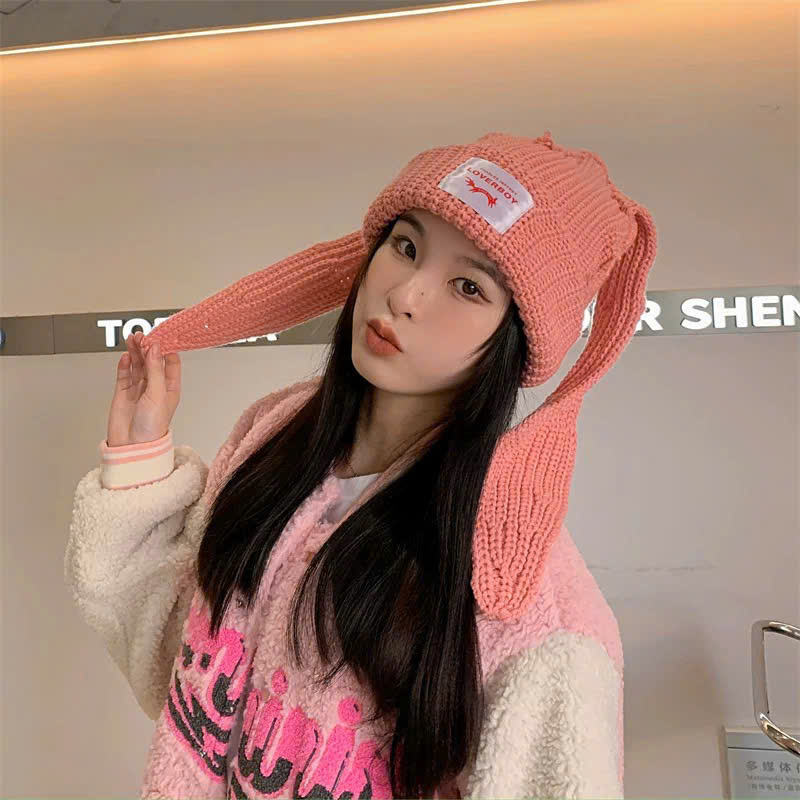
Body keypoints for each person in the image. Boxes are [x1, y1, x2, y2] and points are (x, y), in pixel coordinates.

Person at [65, 130, 657, 800]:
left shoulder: (527, 600)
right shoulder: (273, 435)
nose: (406, 294)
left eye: (467, 286)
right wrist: (140, 457)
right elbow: (180, 665)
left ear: (515, 340)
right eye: (405, 246)